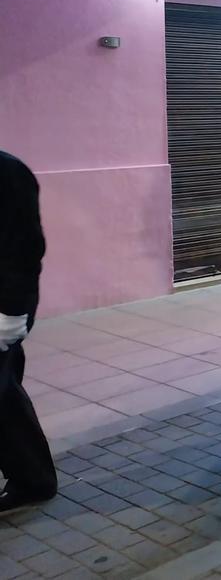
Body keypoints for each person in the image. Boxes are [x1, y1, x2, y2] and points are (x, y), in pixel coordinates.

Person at [0, 150, 57, 514]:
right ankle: (31, 477)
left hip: (3, 307)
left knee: (3, 397)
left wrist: (11, 313)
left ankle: (34, 480)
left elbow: (24, 248)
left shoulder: (7, 171)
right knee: (5, 395)